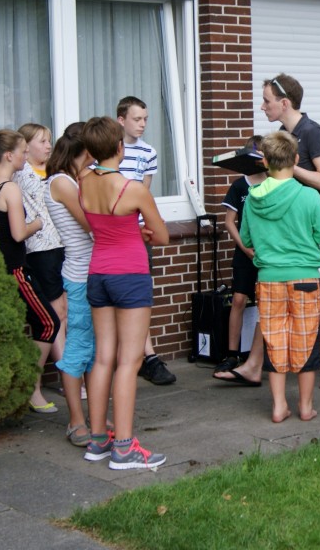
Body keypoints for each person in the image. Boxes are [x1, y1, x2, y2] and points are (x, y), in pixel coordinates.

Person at [79, 116, 169, 470]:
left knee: (103, 358)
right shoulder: (133, 189)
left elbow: (100, 223)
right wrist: (142, 233)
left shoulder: (83, 180)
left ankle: (98, 440)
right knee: (130, 362)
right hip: (130, 274)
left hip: (97, 273)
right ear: (120, 147)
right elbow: (161, 236)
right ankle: (124, 448)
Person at [259, 74, 320, 390]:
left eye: (267, 101)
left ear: (284, 102)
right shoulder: (283, 134)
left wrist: (286, 166)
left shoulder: (313, 132)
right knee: (276, 301)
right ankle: (255, 366)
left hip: (312, 231)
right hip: (287, 230)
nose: (262, 107)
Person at [240, 131, 320, 423]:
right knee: (306, 341)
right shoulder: (308, 195)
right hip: (305, 278)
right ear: (295, 159)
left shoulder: (252, 199)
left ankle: (279, 406)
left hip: (268, 279)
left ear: (264, 161)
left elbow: (247, 238)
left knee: (275, 341)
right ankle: (305, 407)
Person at [0, 129, 60, 413]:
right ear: (9, 156)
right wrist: (38, 223)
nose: (26, 156)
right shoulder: (10, 188)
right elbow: (18, 233)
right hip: (15, 271)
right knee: (49, 322)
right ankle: (32, 389)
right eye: (23, 152)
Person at [115, 96, 176, 386]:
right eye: (136, 119)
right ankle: (140, 356)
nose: (142, 124)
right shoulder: (109, 151)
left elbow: (144, 194)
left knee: (141, 293)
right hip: (115, 231)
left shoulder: (148, 152)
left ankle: (144, 356)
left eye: (145, 119)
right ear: (121, 120)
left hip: (137, 232)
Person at [44, 123, 97, 446]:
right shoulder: (62, 182)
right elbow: (90, 223)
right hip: (79, 275)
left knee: (93, 350)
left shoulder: (73, 179)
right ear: (86, 149)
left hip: (91, 272)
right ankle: (76, 421)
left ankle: (94, 417)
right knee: (77, 349)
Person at [14, 123, 65, 413]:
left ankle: (67, 376)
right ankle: (41, 386)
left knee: (62, 313)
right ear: (26, 146)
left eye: (49, 141)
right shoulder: (23, 175)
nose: (48, 146)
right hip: (39, 250)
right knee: (52, 316)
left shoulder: (53, 171)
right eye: (42, 141)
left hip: (60, 246)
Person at [213, 135, 268, 386]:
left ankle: (262, 354)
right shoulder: (239, 186)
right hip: (245, 253)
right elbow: (229, 221)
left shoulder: (273, 183)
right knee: (238, 299)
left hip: (267, 252)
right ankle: (232, 354)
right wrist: (245, 248)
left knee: (267, 301)